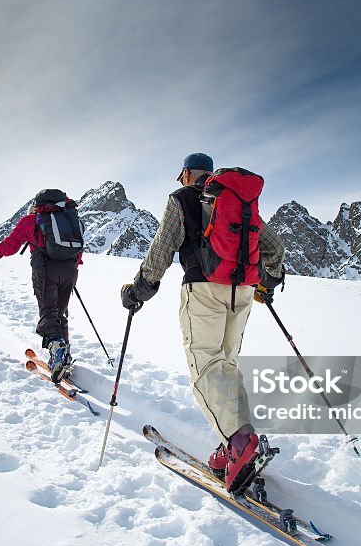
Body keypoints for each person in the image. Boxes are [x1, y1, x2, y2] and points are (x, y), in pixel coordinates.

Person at [121, 152, 286, 494]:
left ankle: (240, 443)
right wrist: (267, 283)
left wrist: (140, 288)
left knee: (205, 369)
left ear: (188, 173)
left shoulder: (183, 198)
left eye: (181, 175)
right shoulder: (237, 199)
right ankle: (236, 445)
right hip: (241, 292)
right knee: (226, 365)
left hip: (203, 288)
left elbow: (161, 249)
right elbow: (274, 247)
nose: (180, 181)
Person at [0, 189, 84, 381]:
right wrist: (70, 268)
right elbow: (78, 248)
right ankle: (65, 357)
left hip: (46, 271)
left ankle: (58, 354)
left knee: (48, 313)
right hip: (70, 271)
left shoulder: (32, 221)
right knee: (61, 313)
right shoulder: (73, 221)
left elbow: (11, 245)